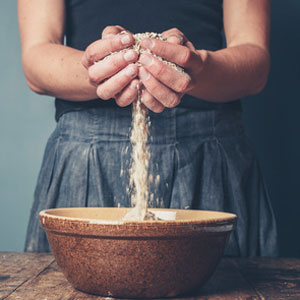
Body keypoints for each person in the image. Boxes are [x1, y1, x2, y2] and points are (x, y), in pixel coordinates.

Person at [18, 0, 278, 256]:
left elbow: (254, 56)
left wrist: (197, 67)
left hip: (209, 153)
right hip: (87, 153)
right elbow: (37, 55)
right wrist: (99, 70)